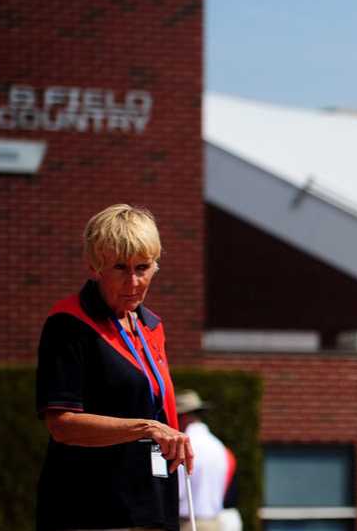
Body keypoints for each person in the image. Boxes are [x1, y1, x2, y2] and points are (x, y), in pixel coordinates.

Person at [36, 204, 195, 531]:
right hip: (91, 511)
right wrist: (147, 428)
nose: (134, 281)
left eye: (143, 267)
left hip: (154, 506)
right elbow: (62, 425)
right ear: (95, 266)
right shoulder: (69, 324)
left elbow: (158, 408)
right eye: (120, 268)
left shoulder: (152, 326)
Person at [176, 390, 232, 531]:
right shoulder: (218, 445)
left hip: (189, 524)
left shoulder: (185, 445)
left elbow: (177, 490)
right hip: (214, 522)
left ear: (184, 417)